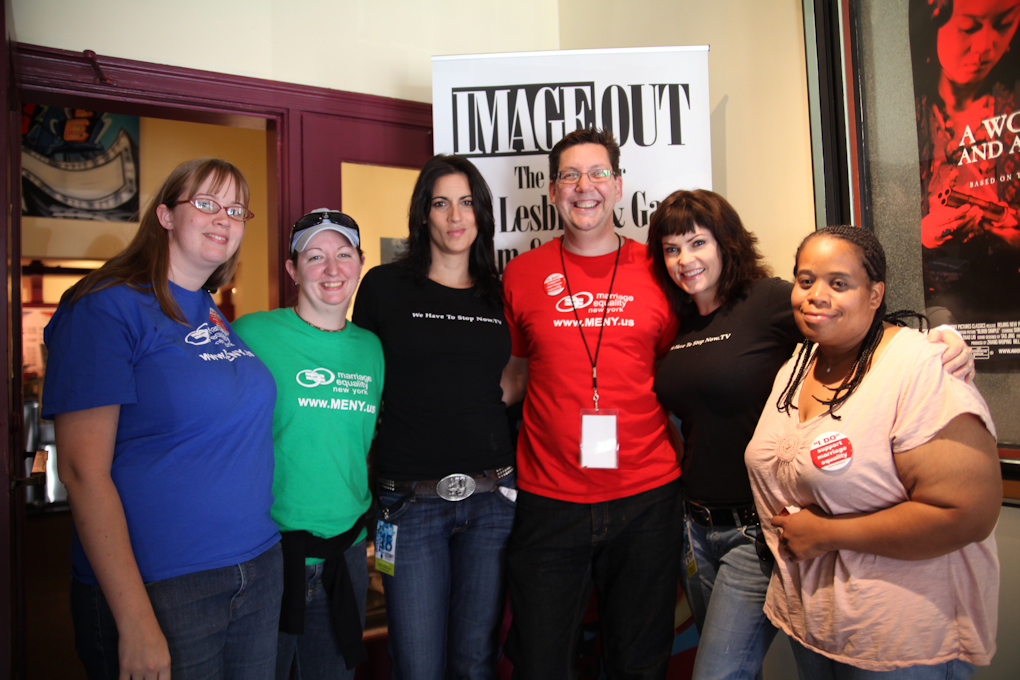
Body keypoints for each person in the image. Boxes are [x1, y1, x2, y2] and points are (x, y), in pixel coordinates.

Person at [647, 191, 975, 680]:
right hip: (693, 529)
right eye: (672, 249)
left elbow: (861, 322)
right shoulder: (677, 321)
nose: (685, 259)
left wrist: (945, 336)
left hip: (756, 530)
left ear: (726, 244)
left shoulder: (768, 300)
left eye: (698, 243)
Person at [42, 158, 282, 680]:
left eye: (236, 210)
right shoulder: (105, 308)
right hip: (165, 584)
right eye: (206, 203)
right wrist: (134, 620)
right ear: (166, 216)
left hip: (257, 567)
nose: (223, 218)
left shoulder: (210, 310)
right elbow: (82, 472)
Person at [745, 225, 1001, 679]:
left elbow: (968, 514)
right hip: (815, 625)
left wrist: (827, 533)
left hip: (899, 639)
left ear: (875, 294)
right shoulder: (798, 364)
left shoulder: (921, 367)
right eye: (805, 280)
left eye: (838, 283)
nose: (816, 295)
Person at [500, 128, 682, 679]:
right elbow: (513, 375)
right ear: (552, 191)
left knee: (639, 663)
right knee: (541, 662)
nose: (585, 186)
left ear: (619, 186)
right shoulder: (521, 274)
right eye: (570, 176)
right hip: (548, 496)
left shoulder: (660, 270)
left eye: (598, 173)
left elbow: (683, 371)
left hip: (646, 496)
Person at [352, 155, 516, 680]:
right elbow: (360, 380)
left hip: (493, 500)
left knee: (475, 663)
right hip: (409, 504)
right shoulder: (384, 286)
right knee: (417, 664)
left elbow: (512, 379)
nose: (455, 216)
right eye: (441, 203)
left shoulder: (500, 292)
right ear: (423, 214)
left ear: (481, 213)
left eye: (466, 203)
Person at [234, 209, 384, 680]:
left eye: (344, 255)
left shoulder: (371, 348)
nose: (332, 269)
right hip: (269, 558)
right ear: (292, 269)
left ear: (360, 264)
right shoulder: (252, 334)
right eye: (315, 257)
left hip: (346, 555)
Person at [911, 0, 1020, 323]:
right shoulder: (907, 116)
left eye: (1004, 24)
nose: (986, 46)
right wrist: (920, 237)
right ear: (935, 17)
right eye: (969, 27)